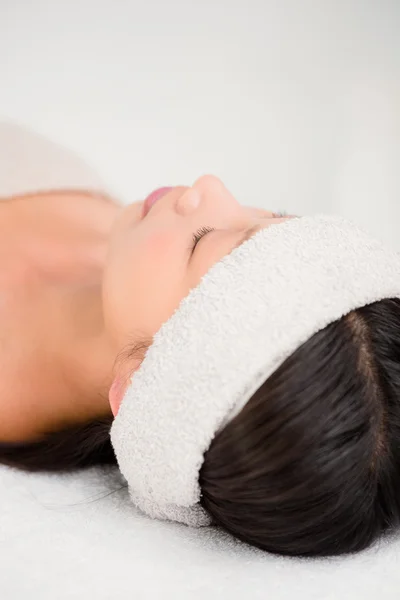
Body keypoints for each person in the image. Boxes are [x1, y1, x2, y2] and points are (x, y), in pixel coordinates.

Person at [1, 122, 400, 558]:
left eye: (202, 241)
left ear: (140, 386)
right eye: (269, 213)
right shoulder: (120, 232)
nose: (210, 187)